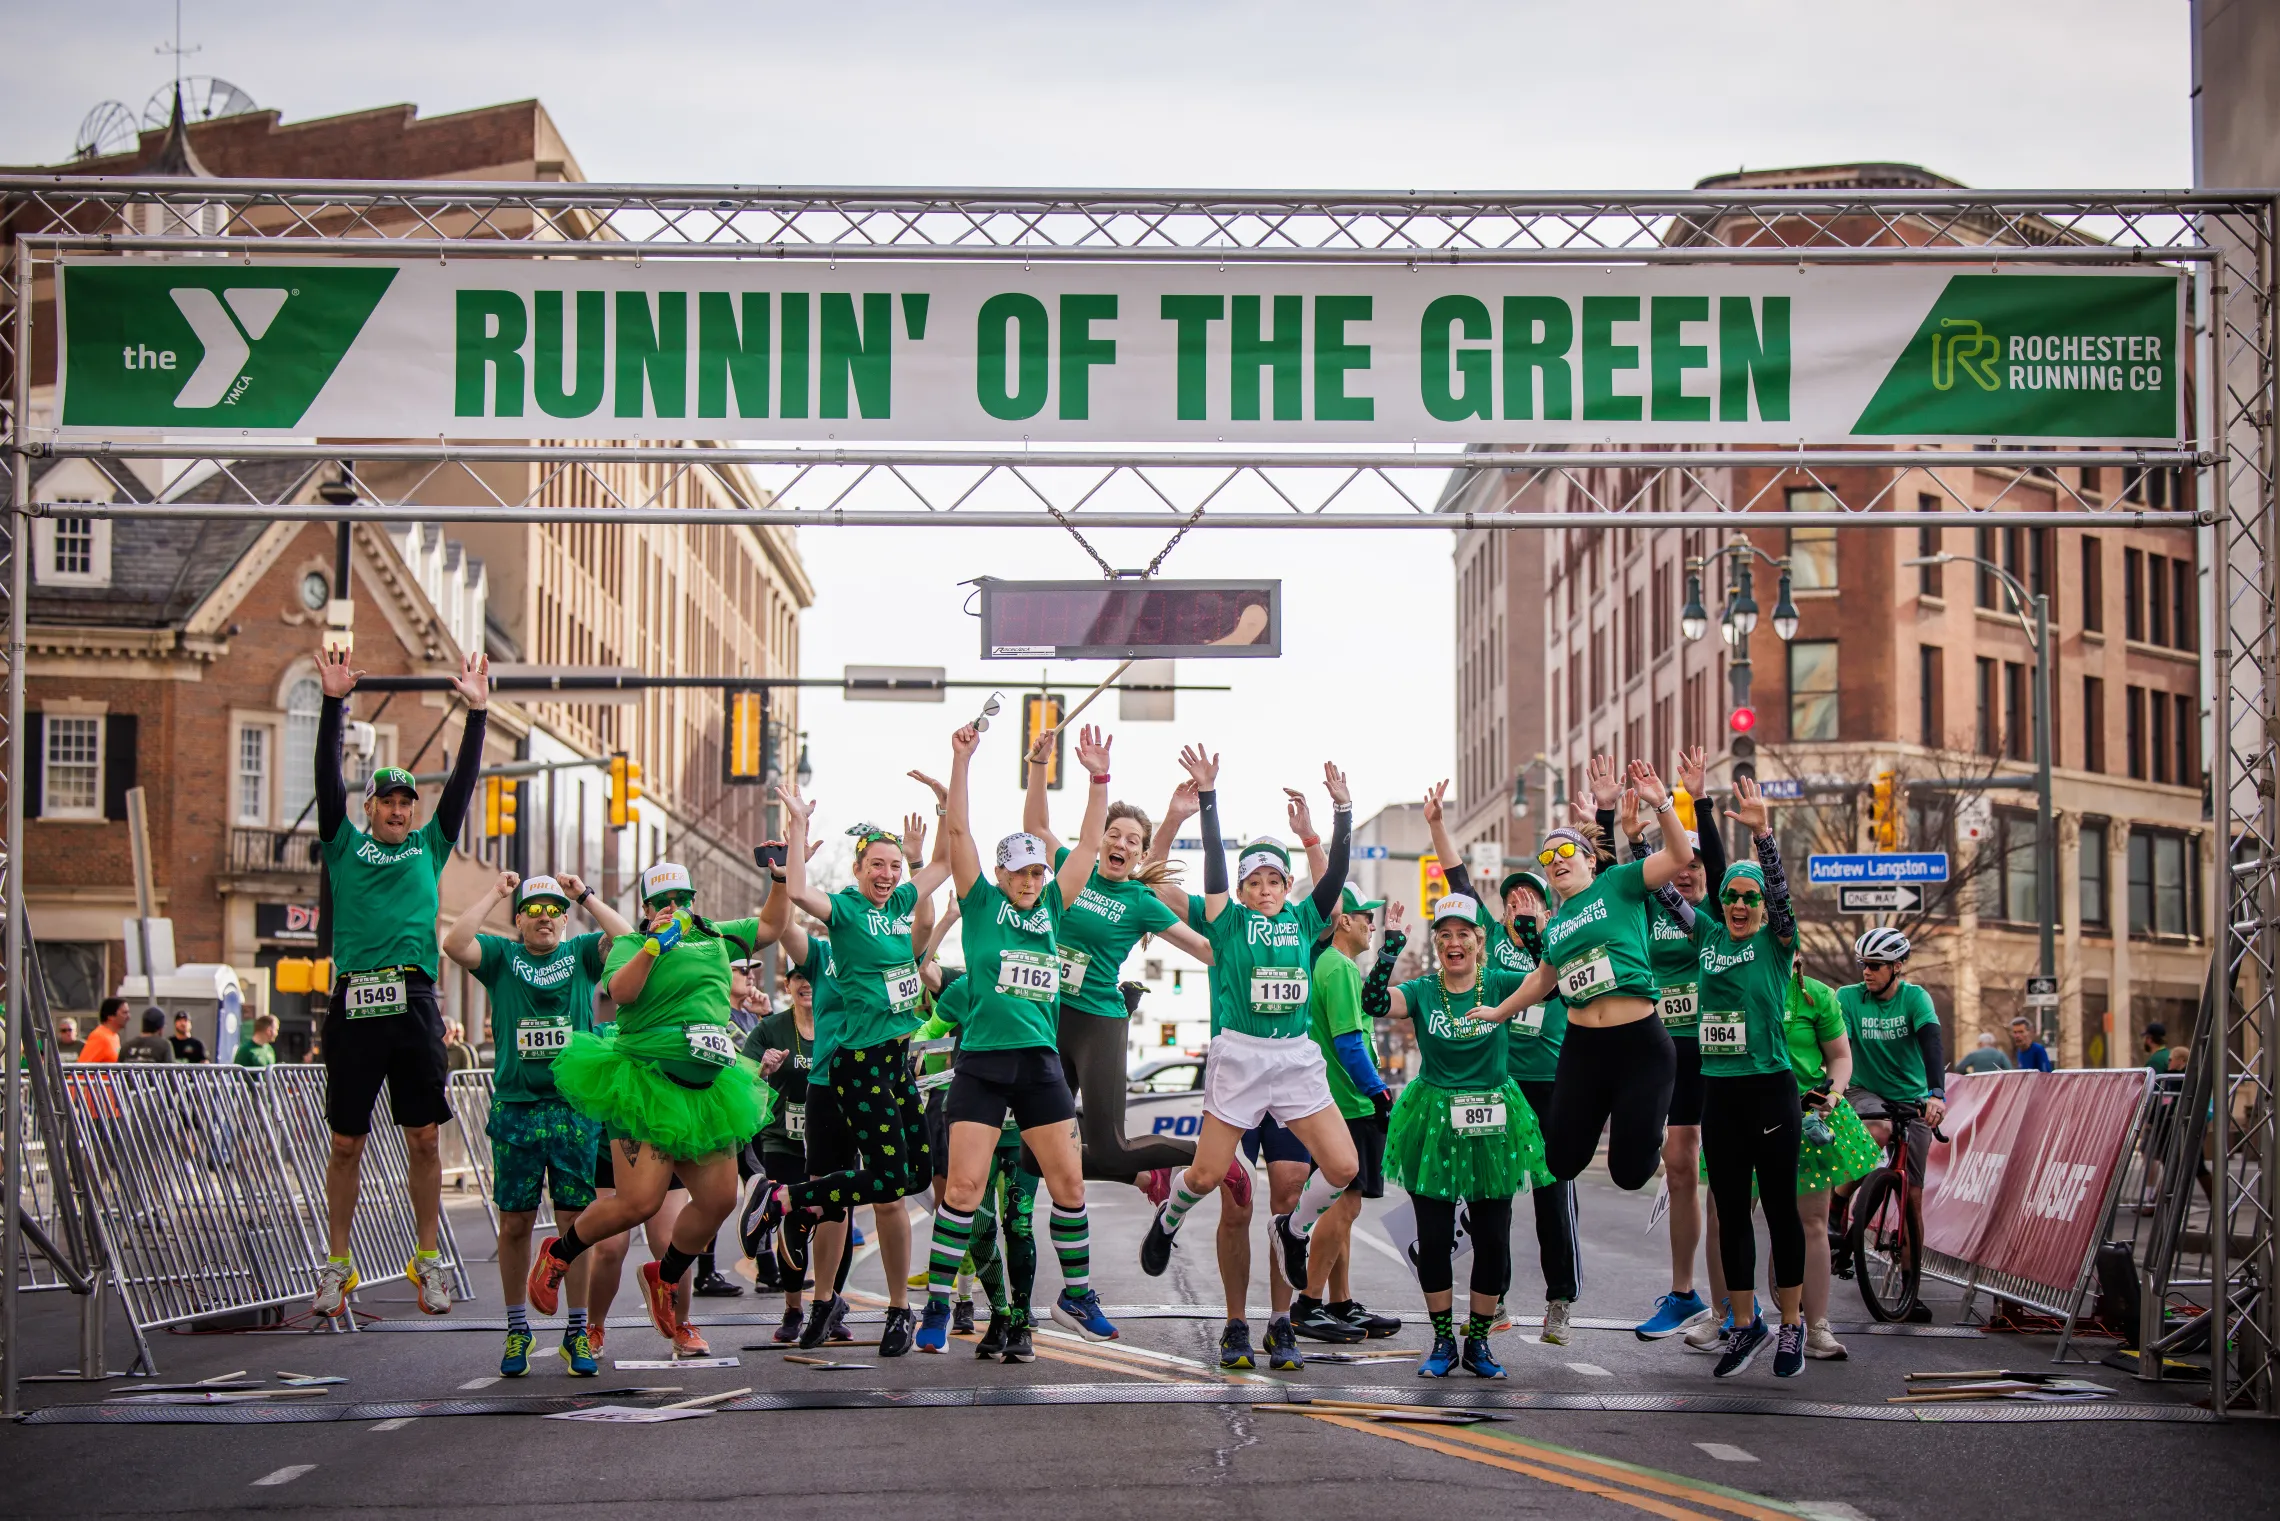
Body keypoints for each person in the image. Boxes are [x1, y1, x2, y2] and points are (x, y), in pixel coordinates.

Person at [1138, 744, 1363, 1374]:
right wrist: (1208, 799)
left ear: (1287, 885)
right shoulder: (1226, 920)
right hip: (1240, 1057)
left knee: (1341, 1169)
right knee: (1210, 1181)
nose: (1264, 889)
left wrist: (1341, 813)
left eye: (1274, 879)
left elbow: (1335, 876)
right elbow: (1205, 866)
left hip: (1294, 1058)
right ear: (1240, 887)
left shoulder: (1303, 918)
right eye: (1253, 880)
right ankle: (1173, 1215)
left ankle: (1288, 1259)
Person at [910, 721, 1122, 1353]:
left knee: (1070, 1187)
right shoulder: (979, 901)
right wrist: (962, 761)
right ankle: (940, 1305)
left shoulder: (1055, 906)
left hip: (1038, 1064)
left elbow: (1086, 844)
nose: (1031, 882)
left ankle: (1077, 1295)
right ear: (1002, 875)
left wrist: (1097, 778)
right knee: (963, 1191)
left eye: (1037, 872)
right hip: (982, 1064)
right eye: (1020, 873)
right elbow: (958, 834)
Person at [525, 862, 773, 1357]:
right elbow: (620, 993)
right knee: (637, 1205)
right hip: (646, 1088)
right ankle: (561, 1254)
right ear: (645, 910)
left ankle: (667, 1276)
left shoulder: (713, 937)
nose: (672, 908)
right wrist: (657, 944)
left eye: (681, 899)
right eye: (661, 902)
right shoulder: (631, 945)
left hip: (705, 1096)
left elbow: (773, 925)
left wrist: (785, 877)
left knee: (721, 1199)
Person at [309, 645, 491, 1319]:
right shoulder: (343, 843)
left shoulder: (429, 846)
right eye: (386, 800)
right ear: (369, 806)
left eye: (405, 802)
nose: (396, 810)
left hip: (414, 997)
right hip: (356, 998)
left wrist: (477, 713)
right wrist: (333, 702)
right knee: (345, 1142)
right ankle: (336, 1263)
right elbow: (326, 779)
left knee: (422, 1137)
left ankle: (426, 1258)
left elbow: (465, 783)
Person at [761, 784, 954, 1357]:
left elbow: (943, 864)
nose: (888, 873)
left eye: (894, 866)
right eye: (878, 864)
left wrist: (945, 808)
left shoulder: (898, 910)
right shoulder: (841, 918)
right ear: (858, 868)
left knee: (905, 1180)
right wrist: (796, 826)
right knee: (862, 1194)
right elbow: (794, 894)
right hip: (847, 1071)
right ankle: (830, 1299)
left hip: (893, 1062)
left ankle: (796, 1204)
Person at [442, 870, 629, 1378]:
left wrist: (585, 896)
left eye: (553, 911)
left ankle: (576, 1331)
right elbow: (454, 942)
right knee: (516, 1222)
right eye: (534, 910)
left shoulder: (582, 954)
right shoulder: (502, 957)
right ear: (520, 921)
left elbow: (628, 938)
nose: (545, 917)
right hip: (517, 1107)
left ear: (564, 921)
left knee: (575, 1223)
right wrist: (496, 893)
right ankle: (516, 1327)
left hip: (573, 1108)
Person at [1487, 758, 1694, 1194]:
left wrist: (1663, 805)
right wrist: (1497, 1012)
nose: (1556, 860)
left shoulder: (1619, 883)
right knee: (1560, 1161)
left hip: (1639, 1041)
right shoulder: (1556, 925)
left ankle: (1645, 1127)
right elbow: (1541, 982)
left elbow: (1679, 856)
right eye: (1547, 857)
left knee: (1630, 1173)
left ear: (1588, 859)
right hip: (1583, 1050)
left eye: (1565, 851)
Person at [1364, 895, 1550, 1378]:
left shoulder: (1502, 983)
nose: (1454, 943)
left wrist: (1531, 933)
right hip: (1436, 1120)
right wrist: (1390, 948)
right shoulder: (1425, 990)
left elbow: (1550, 985)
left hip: (1492, 1119)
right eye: (1444, 935)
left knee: (1492, 1239)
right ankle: (1444, 1341)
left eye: (1463, 933)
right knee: (1435, 1237)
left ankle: (1480, 1344)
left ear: (1479, 940)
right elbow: (1376, 1002)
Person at [1020, 733, 1217, 1182]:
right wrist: (1038, 764)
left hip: (1097, 1023)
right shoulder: (1076, 867)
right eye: (1114, 834)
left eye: (1132, 841)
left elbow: (1204, 949)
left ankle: (1214, 1160)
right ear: (1101, 838)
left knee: (1109, 1148)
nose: (1121, 845)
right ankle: (1148, 1175)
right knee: (1032, 1156)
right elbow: (1035, 829)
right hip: (1049, 1015)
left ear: (1141, 854)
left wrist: (1246, 941)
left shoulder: (1141, 900)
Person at [1427, 794, 1583, 1347]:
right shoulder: (1489, 952)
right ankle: (1495, 1304)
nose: (1520, 903)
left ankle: (1560, 1300)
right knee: (1491, 1198)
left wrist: (1590, 827)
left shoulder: (1562, 944)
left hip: (1549, 1088)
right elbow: (1457, 881)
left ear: (1546, 910)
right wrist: (1439, 824)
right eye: (1512, 897)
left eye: (1531, 898)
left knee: (1551, 1196)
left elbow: (1597, 894)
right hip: (1497, 1086)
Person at [1684, 778, 1810, 1378]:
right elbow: (1662, 895)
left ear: (1761, 908)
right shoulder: (1707, 933)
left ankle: (1793, 1326)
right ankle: (1744, 1323)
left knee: (1780, 1208)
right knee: (1730, 1210)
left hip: (1770, 1089)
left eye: (1748, 898)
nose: (1738, 905)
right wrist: (1634, 832)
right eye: (1729, 896)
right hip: (1721, 1091)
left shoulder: (1777, 942)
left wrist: (1762, 836)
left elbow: (1781, 895)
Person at [1289, 884, 1401, 1345]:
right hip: (1347, 1102)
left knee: (1343, 1207)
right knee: (1347, 1204)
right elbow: (1348, 1042)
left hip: (1338, 1099)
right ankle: (1309, 1305)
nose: (1372, 923)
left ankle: (1340, 1302)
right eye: (1366, 916)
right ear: (1344, 921)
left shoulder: (1340, 966)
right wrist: (1377, 1091)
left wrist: (1394, 945)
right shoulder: (1337, 967)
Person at [1835, 928, 1947, 1242]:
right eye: (1863, 965)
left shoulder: (1914, 998)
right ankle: (1836, 1207)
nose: (1866, 972)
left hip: (1912, 1099)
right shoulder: (1848, 997)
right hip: (1863, 1089)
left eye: (1875, 965)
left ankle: (1911, 1286)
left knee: (1911, 1199)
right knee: (1878, 1130)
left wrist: (1936, 1094)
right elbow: (1842, 1045)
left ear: (1896, 966)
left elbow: (1932, 1045)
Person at [744, 944, 820, 1344]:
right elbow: (743, 1081)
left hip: (828, 1141)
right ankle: (793, 1308)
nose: (806, 983)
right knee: (794, 1222)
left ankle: (828, 1305)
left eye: (812, 977)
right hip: (782, 1141)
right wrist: (764, 1068)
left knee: (831, 1222)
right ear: (789, 984)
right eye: (798, 977)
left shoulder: (838, 1024)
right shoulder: (770, 1029)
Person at [78, 999, 130, 1064]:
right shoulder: (100, 1036)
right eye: (124, 1013)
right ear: (110, 1016)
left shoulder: (115, 1036)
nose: (128, 1017)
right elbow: (83, 1067)